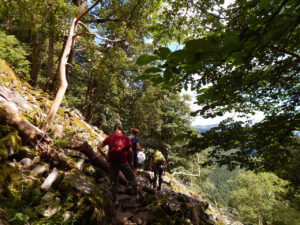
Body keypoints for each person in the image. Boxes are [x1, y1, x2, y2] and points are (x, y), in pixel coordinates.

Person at [97, 123, 140, 208]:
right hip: (123, 162)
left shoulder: (110, 137)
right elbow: (130, 151)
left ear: (114, 129)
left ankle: (115, 201)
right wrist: (131, 162)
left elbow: (99, 147)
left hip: (112, 163)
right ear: (121, 129)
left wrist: (106, 157)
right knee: (133, 178)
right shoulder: (125, 137)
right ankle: (136, 196)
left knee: (113, 182)